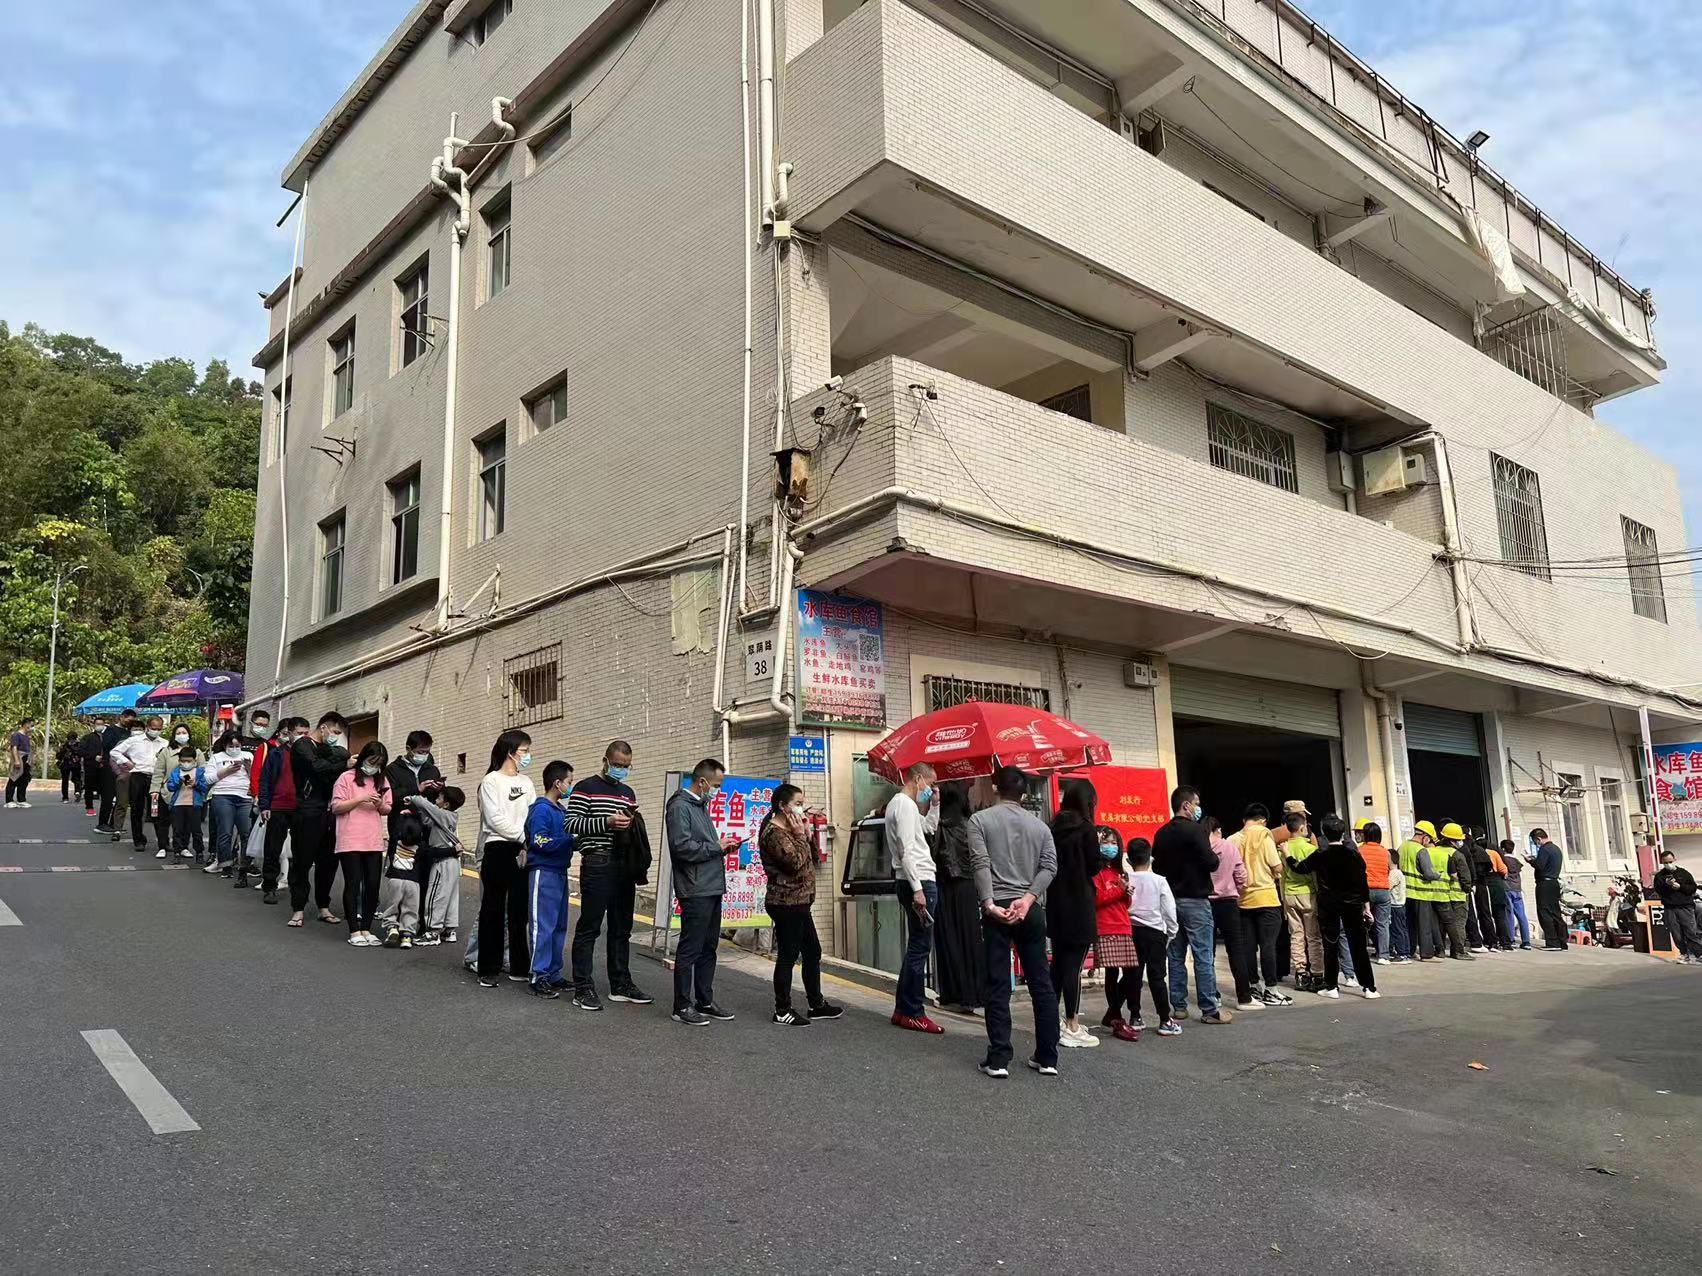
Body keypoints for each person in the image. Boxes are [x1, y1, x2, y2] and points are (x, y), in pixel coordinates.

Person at [968, 766, 1060, 1078]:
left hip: (997, 907)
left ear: (995, 787)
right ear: (1023, 793)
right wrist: (1029, 898)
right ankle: (1047, 1057)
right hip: (1030, 910)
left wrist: (989, 903)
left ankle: (998, 1059)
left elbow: (980, 863)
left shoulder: (979, 821)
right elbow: (1049, 867)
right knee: (1041, 982)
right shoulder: (1041, 827)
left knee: (997, 984)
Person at [565, 741, 646, 1010]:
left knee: (622, 928)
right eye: (617, 764)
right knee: (590, 926)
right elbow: (571, 823)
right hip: (597, 860)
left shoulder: (628, 792)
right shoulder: (585, 787)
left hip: (624, 862)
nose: (621, 769)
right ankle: (583, 987)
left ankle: (620, 984)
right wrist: (607, 822)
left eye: (626, 766)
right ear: (605, 761)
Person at [758, 783, 842, 1025]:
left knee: (812, 951)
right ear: (782, 806)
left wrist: (806, 834)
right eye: (797, 804)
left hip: (800, 901)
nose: (801, 809)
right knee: (788, 954)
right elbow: (794, 864)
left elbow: (812, 858)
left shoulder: (793, 830)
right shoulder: (774, 834)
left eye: (802, 804)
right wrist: (799, 836)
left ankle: (816, 1004)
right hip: (785, 902)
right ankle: (782, 1010)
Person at [665, 758, 734, 1025]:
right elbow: (681, 848)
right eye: (716, 784)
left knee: (708, 947)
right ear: (702, 781)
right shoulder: (680, 806)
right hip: (695, 888)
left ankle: (704, 1000)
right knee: (690, 948)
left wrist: (722, 847)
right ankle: (682, 1006)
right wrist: (717, 847)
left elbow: (703, 846)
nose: (718, 790)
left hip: (711, 884)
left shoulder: (700, 805)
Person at [1153, 785, 1230, 1024]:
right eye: (1196, 804)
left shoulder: (1161, 833)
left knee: (1175, 955)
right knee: (1203, 955)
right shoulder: (1197, 831)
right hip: (1196, 900)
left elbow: (1157, 867)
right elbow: (1211, 862)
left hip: (1170, 902)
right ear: (1186, 805)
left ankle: (1178, 1006)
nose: (1198, 808)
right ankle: (1209, 1009)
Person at [884, 761, 942, 1035]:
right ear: (918, 779)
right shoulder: (904, 806)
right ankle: (913, 1011)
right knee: (920, 947)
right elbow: (905, 850)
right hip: (918, 880)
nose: (930, 789)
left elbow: (928, 828)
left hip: (912, 880)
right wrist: (918, 889)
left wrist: (935, 805)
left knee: (916, 946)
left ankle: (903, 1008)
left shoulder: (901, 805)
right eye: (930, 784)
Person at [475, 730, 535, 986]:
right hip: (498, 847)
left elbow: (532, 814)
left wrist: (528, 841)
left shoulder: (527, 782)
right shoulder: (491, 781)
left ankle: (520, 967)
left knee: (519, 912)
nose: (528, 755)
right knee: (493, 909)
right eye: (524, 751)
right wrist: (521, 836)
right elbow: (493, 819)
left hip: (523, 849)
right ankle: (488, 968)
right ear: (511, 752)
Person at [1049, 778, 1102, 1048]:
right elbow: (1093, 867)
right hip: (1080, 903)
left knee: (1058, 964)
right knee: (1074, 966)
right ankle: (1072, 1023)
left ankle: (1049, 1019)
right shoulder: (1086, 829)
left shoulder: (1053, 827)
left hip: (1056, 902)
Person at [286, 712, 350, 929]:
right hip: (307, 810)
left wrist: (341, 761)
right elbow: (316, 767)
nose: (336, 737)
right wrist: (342, 763)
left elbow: (339, 758)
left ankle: (324, 906)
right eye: (335, 732)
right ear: (323, 727)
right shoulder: (302, 746)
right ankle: (298, 908)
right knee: (302, 862)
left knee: (328, 862)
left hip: (329, 812)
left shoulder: (330, 749)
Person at [929, 783, 987, 1014]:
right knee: (970, 939)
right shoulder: (971, 824)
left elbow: (935, 857)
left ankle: (952, 993)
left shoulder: (939, 826)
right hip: (969, 887)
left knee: (948, 940)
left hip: (946, 886)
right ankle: (973, 994)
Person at [1308, 815, 1379, 1000]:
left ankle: (1331, 986)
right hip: (1353, 904)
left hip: (1329, 904)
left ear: (1323, 833)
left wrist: (1288, 855)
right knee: (1358, 946)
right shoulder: (1354, 854)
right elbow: (1362, 882)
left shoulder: (1321, 855)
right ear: (1343, 833)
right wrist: (1366, 906)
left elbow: (1301, 867)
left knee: (1330, 945)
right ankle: (1369, 988)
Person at [520, 761, 576, 995]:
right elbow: (539, 841)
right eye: (569, 782)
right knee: (542, 926)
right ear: (557, 783)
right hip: (543, 872)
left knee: (559, 926)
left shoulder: (561, 810)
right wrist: (570, 840)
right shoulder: (541, 810)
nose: (570, 786)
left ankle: (553, 973)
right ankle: (538, 975)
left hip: (560, 871)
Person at [331, 741, 392, 946]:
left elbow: (387, 809)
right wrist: (360, 798)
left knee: (373, 885)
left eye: (379, 763)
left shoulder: (382, 780)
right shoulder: (346, 778)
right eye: (372, 761)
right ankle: (354, 930)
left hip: (372, 840)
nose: (374, 767)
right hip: (350, 839)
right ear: (363, 758)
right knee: (353, 884)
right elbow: (336, 806)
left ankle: (366, 928)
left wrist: (379, 803)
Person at [1232, 805, 1292, 1006]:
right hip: (1266, 898)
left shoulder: (1232, 839)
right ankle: (1271, 989)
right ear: (1263, 820)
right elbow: (1276, 866)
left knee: (1248, 947)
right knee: (1268, 946)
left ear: (1244, 820)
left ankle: (1254, 986)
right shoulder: (1265, 835)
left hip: (1243, 900)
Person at [1125, 837, 1182, 1037]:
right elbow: (1169, 910)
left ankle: (1135, 1016)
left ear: (1129, 860)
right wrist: (1171, 932)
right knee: (1157, 976)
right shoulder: (1159, 881)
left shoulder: (1125, 879)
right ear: (1150, 858)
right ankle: (1165, 1020)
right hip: (1155, 933)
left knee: (1133, 975)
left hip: (1131, 931)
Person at [1091, 827, 1139, 1041]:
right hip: (1106, 927)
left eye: (1114, 843)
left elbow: (1125, 903)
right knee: (1112, 973)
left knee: (1132, 973)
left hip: (1123, 925)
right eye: (1106, 842)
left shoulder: (1120, 871)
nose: (1110, 847)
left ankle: (1112, 1013)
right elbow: (1096, 899)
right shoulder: (1095, 872)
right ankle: (1116, 1017)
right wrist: (1119, 890)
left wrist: (1126, 892)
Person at [1205, 815, 1254, 1010]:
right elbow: (1241, 874)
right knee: (1236, 950)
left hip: (1206, 903)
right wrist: (1236, 889)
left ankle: (1212, 996)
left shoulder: (1200, 848)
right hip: (1228, 903)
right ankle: (1244, 997)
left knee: (1207, 952)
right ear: (1218, 830)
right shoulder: (1229, 847)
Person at [409, 785, 466, 945]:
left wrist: (413, 798)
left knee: (436, 896)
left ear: (446, 804)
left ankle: (432, 932)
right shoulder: (449, 817)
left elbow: (425, 805)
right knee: (450, 896)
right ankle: (449, 930)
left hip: (442, 863)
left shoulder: (443, 814)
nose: (436, 800)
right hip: (453, 863)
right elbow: (428, 820)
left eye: (439, 798)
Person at [256, 716, 304, 904]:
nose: (303, 737)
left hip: (300, 808)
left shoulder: (308, 754)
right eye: (299, 733)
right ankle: (269, 886)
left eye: (306, 733)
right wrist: (264, 805)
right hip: (277, 807)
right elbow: (265, 780)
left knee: (300, 850)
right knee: (273, 849)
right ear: (289, 733)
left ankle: (296, 886)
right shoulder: (276, 754)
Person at [110, 716, 172, 852]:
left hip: (156, 777)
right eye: (153, 728)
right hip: (138, 775)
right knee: (137, 810)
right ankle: (139, 840)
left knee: (158, 810)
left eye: (159, 729)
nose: (156, 731)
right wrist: (127, 762)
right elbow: (114, 752)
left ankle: (163, 841)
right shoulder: (134, 740)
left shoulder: (165, 743)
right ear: (147, 727)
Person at [1278, 805, 1324, 991]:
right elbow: (1314, 876)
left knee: (1296, 935)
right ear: (1302, 827)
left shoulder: (1283, 848)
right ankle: (1317, 973)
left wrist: (1283, 898)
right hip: (1308, 894)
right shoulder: (1310, 849)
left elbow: (1281, 876)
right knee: (1313, 936)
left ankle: (1300, 973)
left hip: (1289, 894)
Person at [204, 731, 257, 881]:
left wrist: (249, 768)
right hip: (223, 795)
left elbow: (256, 778)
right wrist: (226, 771)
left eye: (237, 746)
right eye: (231, 746)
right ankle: (225, 865)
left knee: (246, 833)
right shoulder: (217, 757)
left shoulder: (248, 755)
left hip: (244, 796)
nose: (234, 749)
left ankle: (244, 866)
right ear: (225, 745)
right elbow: (208, 779)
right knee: (225, 831)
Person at [151, 723, 202, 860]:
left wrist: (199, 786)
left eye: (184, 732)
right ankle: (162, 846)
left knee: (185, 824)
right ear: (173, 735)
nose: (181, 735)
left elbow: (203, 772)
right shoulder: (166, 752)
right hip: (168, 791)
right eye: (178, 733)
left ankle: (183, 847)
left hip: (189, 793)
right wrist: (155, 790)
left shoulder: (197, 752)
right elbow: (158, 772)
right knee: (163, 821)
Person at [385, 730, 442, 852]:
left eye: (427, 752)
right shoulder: (392, 769)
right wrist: (417, 789)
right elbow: (390, 796)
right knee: (400, 862)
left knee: (426, 860)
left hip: (427, 827)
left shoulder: (432, 770)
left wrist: (439, 789)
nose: (424, 755)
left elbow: (438, 801)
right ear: (408, 749)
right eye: (420, 752)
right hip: (401, 827)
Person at [1397, 820, 1445, 962]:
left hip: (1405, 893)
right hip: (1421, 893)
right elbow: (1428, 873)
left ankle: (1410, 950)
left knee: (1409, 924)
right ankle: (1427, 954)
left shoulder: (1402, 847)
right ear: (1425, 836)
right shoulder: (1421, 850)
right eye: (1429, 839)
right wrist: (1438, 875)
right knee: (1424, 926)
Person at [377, 811, 426, 949]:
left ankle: (392, 927)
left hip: (395, 879)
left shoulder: (395, 842)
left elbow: (395, 830)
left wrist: (402, 817)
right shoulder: (421, 846)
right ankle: (407, 935)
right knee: (410, 908)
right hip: (413, 882)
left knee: (392, 906)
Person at [1651, 849, 1702, 963]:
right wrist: (1667, 885)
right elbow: (1658, 890)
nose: (1668, 864)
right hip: (1670, 908)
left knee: (1691, 932)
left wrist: (1680, 886)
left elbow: (1692, 888)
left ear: (1674, 859)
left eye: (1670, 861)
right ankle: (1684, 954)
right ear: (1662, 862)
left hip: (1685, 907)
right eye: (1665, 862)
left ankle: (1699, 953)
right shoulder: (1660, 876)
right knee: (1676, 934)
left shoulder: (1684, 873)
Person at [1433, 824, 1475, 960]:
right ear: (1452, 841)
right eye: (1458, 840)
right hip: (1457, 895)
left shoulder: (1432, 851)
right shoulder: (1457, 854)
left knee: (1441, 924)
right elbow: (1465, 877)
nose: (1460, 842)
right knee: (1458, 924)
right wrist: (1468, 889)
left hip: (1438, 893)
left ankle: (1439, 950)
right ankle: (1458, 951)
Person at [1356, 822, 1394, 964]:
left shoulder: (1359, 851)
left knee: (1361, 923)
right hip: (1383, 890)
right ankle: (1383, 955)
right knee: (1382, 924)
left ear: (1365, 835)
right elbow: (1390, 869)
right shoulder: (1385, 852)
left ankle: (1361, 953)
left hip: (1364, 890)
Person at [1525, 829, 1567, 950]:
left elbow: (1540, 865)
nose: (1536, 844)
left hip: (1544, 884)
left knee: (1544, 912)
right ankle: (1562, 941)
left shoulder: (1544, 849)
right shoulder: (1556, 849)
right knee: (1555, 912)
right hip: (1554, 883)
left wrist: (1530, 861)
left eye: (1535, 842)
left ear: (1538, 839)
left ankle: (1552, 942)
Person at [1466, 826, 1501, 953]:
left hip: (1470, 884)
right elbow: (1490, 867)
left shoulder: (1463, 850)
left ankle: (1477, 941)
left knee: (1472, 913)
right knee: (1485, 912)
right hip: (1482, 883)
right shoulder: (1482, 850)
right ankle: (1492, 942)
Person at [1499, 838, 1533, 949]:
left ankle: (1511, 939)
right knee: (1522, 915)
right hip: (1517, 889)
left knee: (1509, 914)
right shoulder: (1517, 862)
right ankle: (1526, 941)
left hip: (1507, 888)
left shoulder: (1503, 860)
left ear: (1503, 849)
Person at [1484, 838, 1514, 953]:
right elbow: (1503, 870)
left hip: (1484, 884)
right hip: (1496, 883)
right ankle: (1505, 943)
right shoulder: (1494, 853)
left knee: (1486, 914)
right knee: (1500, 915)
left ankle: (1491, 941)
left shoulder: (1477, 852)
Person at [78, 717, 106, 815]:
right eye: (98, 724)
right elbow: (81, 751)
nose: (100, 726)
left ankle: (106, 807)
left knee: (105, 787)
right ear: (94, 725)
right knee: (89, 787)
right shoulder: (88, 737)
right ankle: (89, 807)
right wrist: (93, 757)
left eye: (101, 724)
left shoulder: (107, 737)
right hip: (91, 766)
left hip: (105, 766)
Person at [5, 717, 34, 808]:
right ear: (26, 724)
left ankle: (21, 800)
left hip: (26, 759)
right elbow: (14, 748)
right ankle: (9, 800)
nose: (32, 727)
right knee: (14, 778)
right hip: (19, 758)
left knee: (24, 780)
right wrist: (16, 760)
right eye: (31, 725)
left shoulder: (27, 736)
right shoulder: (16, 735)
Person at [1387, 858, 1411, 961]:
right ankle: (1405, 952)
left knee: (1397, 930)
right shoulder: (1399, 873)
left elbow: (1387, 887)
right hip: (1400, 905)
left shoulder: (1393, 873)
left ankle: (1401, 954)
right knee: (1402, 929)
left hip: (1395, 905)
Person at [55, 736, 80, 804]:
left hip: (66, 765)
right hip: (74, 764)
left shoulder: (64, 745)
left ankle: (65, 797)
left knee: (65, 781)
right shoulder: (78, 745)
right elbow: (81, 754)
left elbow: (58, 755)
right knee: (76, 779)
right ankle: (77, 791)